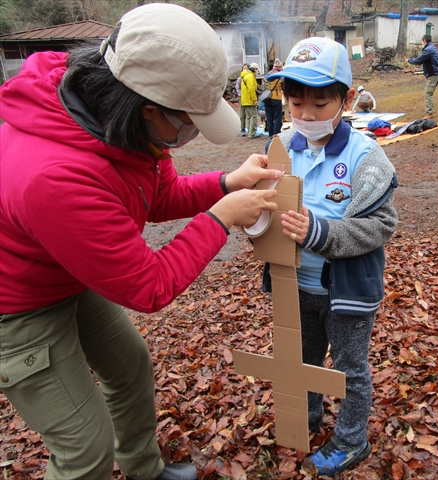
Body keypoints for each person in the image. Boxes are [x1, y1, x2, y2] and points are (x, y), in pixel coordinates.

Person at [0, 4, 281, 480]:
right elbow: (148, 287)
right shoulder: (55, 175)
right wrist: (220, 218)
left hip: (64, 271)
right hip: (16, 305)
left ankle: (144, 472)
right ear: (147, 106)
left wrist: (226, 183)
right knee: (83, 447)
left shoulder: (121, 126)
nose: (188, 137)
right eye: (189, 123)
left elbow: (160, 195)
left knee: (129, 368)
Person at [265, 37, 398, 476]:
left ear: (346, 98)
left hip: (347, 293)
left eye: (320, 103)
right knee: (301, 360)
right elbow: (267, 204)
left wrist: (318, 232)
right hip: (294, 285)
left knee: (349, 369)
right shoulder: (282, 147)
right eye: (295, 101)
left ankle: (352, 439)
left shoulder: (366, 157)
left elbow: (381, 226)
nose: (305, 115)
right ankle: (303, 419)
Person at [406, 34, 438, 119]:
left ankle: (429, 113)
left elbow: (419, 60)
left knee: (428, 93)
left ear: (425, 41)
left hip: (434, 74)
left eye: (422, 41)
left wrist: (409, 60)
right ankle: (430, 110)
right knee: (429, 93)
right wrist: (427, 74)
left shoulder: (428, 50)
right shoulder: (432, 48)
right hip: (436, 74)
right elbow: (429, 62)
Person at [263, 58, 284, 137]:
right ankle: (276, 135)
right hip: (276, 98)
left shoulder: (267, 74)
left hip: (267, 98)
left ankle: (270, 135)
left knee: (269, 118)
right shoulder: (280, 76)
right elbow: (283, 86)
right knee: (277, 118)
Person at [240, 62, 261, 138]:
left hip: (244, 100)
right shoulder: (250, 77)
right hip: (250, 100)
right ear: (254, 69)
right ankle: (252, 133)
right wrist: (255, 99)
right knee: (253, 117)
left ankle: (249, 132)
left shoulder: (244, 76)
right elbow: (251, 89)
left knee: (248, 117)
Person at [235, 63, 250, 135]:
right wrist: (240, 94)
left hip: (248, 97)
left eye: (246, 68)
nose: (245, 70)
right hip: (242, 97)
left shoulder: (250, 77)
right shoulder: (240, 78)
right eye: (244, 68)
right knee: (242, 114)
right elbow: (237, 87)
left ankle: (250, 129)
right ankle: (242, 128)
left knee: (249, 114)